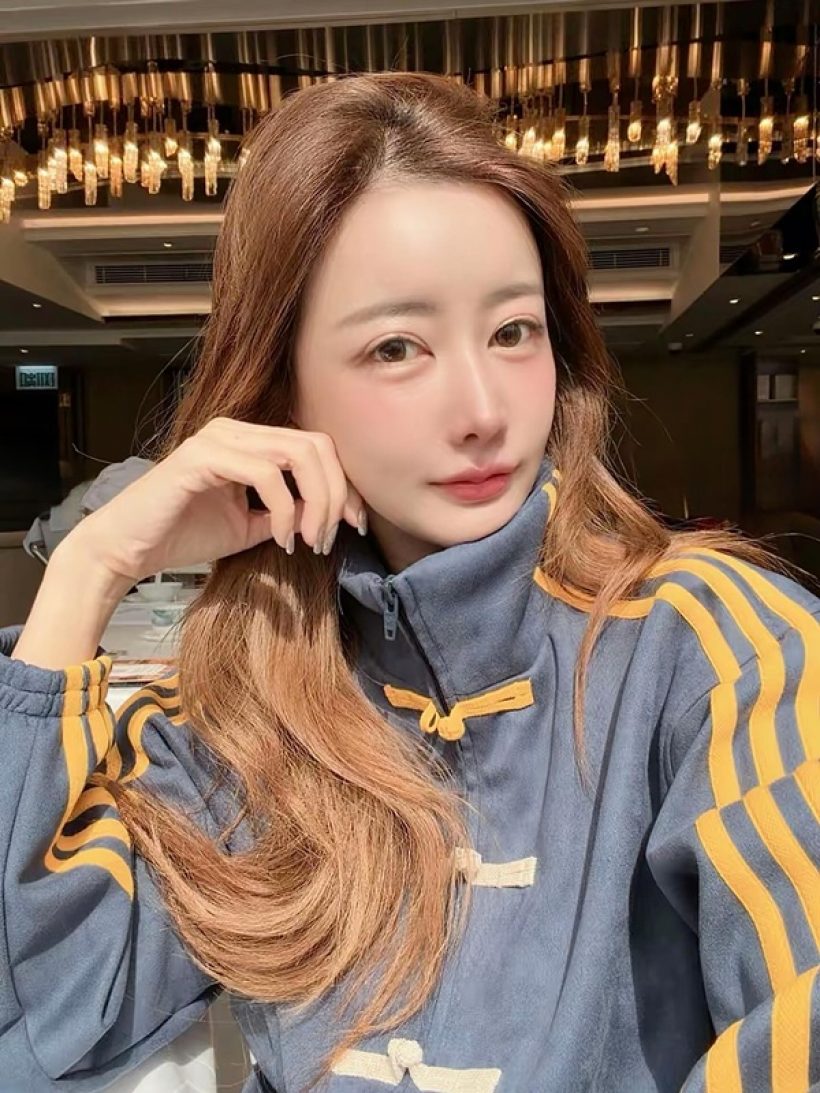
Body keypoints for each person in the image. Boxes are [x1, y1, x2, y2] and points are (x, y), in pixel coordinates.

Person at [0, 71, 817, 1093]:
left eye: (513, 331)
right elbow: (41, 1019)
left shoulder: (719, 649)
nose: (482, 410)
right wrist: (93, 564)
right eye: (397, 347)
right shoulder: (250, 709)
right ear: (283, 387)